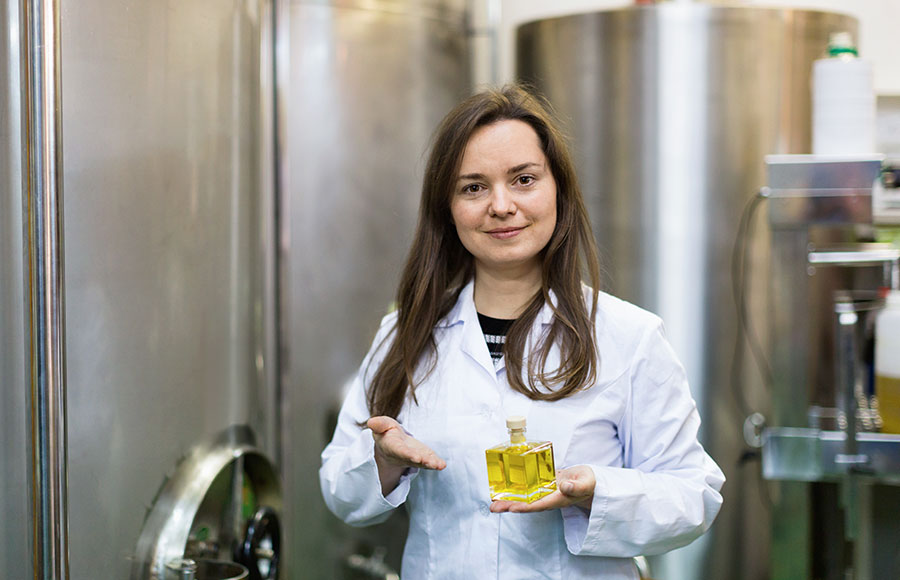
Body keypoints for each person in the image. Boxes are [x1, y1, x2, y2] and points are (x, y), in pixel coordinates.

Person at [320, 86, 725, 579]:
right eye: (473, 187)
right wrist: (382, 461)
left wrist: (597, 491)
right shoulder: (404, 334)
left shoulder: (627, 337)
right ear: (447, 208)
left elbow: (693, 496)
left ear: (558, 189)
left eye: (524, 179)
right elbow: (339, 488)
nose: (501, 205)